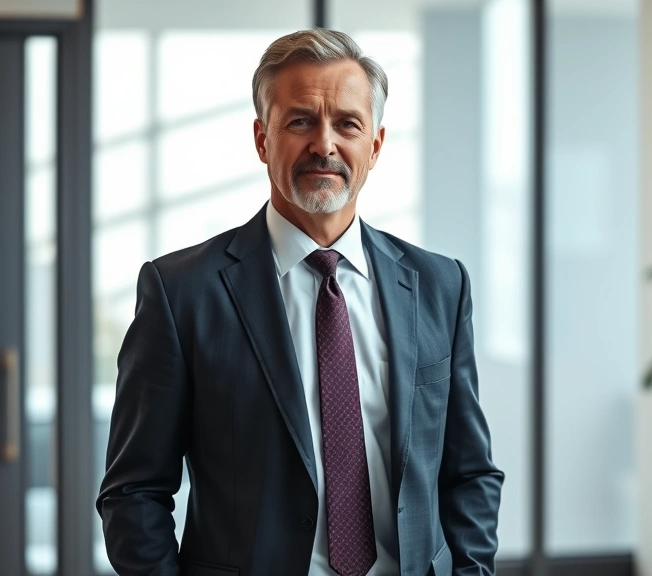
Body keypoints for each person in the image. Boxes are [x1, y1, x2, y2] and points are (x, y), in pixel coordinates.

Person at [96, 28, 504, 576]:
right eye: (300, 121)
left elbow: (469, 471)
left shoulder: (439, 286)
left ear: (375, 145)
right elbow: (135, 491)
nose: (325, 145)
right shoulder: (181, 293)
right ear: (263, 139)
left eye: (347, 124)